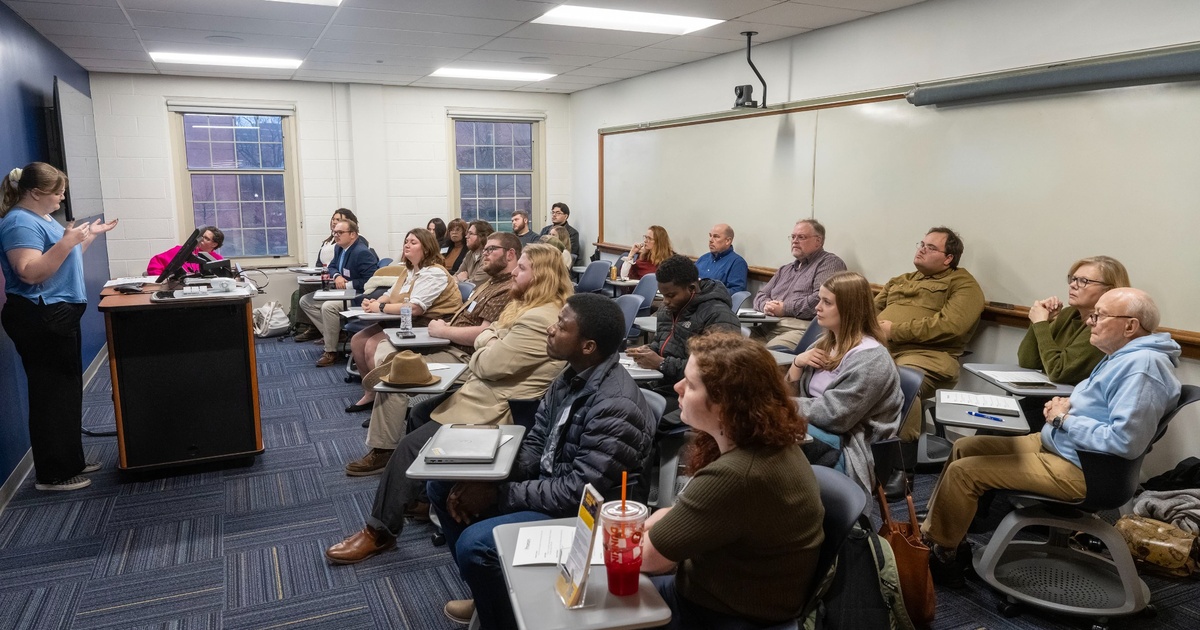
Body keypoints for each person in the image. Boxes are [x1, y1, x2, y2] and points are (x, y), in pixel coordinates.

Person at [325, 246, 591, 574]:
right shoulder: (527, 306)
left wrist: (486, 343)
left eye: (521, 268)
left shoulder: (539, 318)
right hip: (483, 392)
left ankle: (380, 531)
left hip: (499, 409)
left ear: (541, 276)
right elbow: (489, 340)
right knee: (421, 413)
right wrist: (490, 339)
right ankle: (420, 498)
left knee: (410, 447)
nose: (513, 273)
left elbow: (490, 364)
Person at [921, 288, 1181, 587]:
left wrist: (1063, 419)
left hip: (1087, 471)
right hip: (1064, 448)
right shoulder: (1124, 357)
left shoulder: (1142, 368)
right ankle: (943, 533)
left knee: (964, 473)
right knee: (966, 446)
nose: (1089, 322)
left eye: (1099, 316)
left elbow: (1125, 441)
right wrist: (1068, 405)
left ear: (1130, 326)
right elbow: (1104, 408)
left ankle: (943, 556)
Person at [430, 293, 657, 628]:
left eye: (561, 326)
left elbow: (580, 493)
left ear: (588, 346)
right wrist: (489, 480)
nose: (550, 330)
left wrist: (499, 495)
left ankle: (501, 613)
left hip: (586, 515)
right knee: (441, 486)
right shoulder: (569, 376)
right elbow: (537, 443)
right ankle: (490, 593)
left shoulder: (615, 405)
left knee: (475, 546)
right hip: (555, 487)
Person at [640, 332, 824, 630]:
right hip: (726, 600)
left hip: (722, 616)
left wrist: (632, 530)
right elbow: (675, 518)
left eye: (690, 384)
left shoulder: (738, 475)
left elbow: (649, 558)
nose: (677, 387)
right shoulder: (766, 443)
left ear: (725, 404)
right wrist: (656, 524)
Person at [342, 233, 521, 476]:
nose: (484, 255)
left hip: (464, 356)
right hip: (447, 342)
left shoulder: (507, 288)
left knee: (395, 376)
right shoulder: (488, 284)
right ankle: (386, 435)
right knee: (386, 357)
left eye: (492, 250)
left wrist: (443, 330)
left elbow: (482, 334)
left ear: (510, 254)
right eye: (485, 250)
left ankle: (383, 450)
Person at [0, 162, 118, 491]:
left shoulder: (41, 217)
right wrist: (66, 242)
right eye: (58, 192)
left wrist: (86, 237)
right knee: (50, 395)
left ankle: (71, 460)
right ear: (36, 193)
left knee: (65, 392)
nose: (62, 197)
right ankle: (52, 475)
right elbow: (28, 272)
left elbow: (61, 258)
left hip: (57, 313)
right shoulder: (18, 222)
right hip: (40, 317)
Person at [786, 271, 903, 492]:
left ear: (850, 309)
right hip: (817, 430)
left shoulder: (872, 359)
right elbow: (795, 395)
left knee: (767, 431)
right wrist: (797, 365)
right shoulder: (823, 344)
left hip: (848, 445)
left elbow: (835, 416)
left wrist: (782, 406)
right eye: (820, 299)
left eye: (826, 302)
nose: (817, 307)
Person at [875, 227, 985, 442]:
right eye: (922, 244)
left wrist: (894, 330)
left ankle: (900, 464)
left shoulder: (963, 284)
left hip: (927, 357)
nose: (922, 250)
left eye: (931, 247)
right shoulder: (899, 280)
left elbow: (950, 326)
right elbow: (868, 312)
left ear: (948, 258)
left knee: (899, 382)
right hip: (882, 349)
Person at [1016, 256, 1130, 430]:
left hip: (1073, 413)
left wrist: (1040, 324)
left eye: (1084, 281)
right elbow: (1027, 361)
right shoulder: (1070, 314)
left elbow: (1058, 371)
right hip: (1045, 400)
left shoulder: (1104, 328)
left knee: (996, 430)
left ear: (1109, 290)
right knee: (994, 421)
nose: (1073, 285)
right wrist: (1041, 322)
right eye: (1073, 279)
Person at [626, 255, 741, 425]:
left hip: (695, 396)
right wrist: (648, 350)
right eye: (663, 295)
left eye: (671, 295)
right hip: (662, 384)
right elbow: (663, 342)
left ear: (692, 287)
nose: (665, 302)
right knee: (617, 399)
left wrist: (662, 363)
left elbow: (716, 372)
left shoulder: (718, 315)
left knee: (633, 416)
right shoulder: (668, 309)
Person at [347, 228, 461, 380]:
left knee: (372, 345)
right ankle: (370, 391)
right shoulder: (409, 271)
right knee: (357, 341)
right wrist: (375, 302)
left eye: (413, 242)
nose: (407, 245)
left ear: (426, 249)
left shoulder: (434, 273)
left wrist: (380, 308)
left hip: (427, 323)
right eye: (406, 242)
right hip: (404, 320)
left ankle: (385, 394)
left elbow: (414, 309)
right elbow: (390, 294)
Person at [752, 219, 847, 351]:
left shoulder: (829, 263)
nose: (795, 241)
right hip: (767, 325)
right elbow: (761, 295)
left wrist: (785, 308)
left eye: (801, 237)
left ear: (818, 241)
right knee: (735, 350)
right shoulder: (785, 269)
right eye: (793, 237)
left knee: (766, 358)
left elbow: (820, 300)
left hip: (801, 329)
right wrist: (767, 306)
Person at [297, 218, 381, 366]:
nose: (336, 235)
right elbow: (332, 266)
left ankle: (330, 351)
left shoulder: (361, 252)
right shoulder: (339, 248)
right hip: (341, 292)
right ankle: (338, 334)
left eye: (340, 232)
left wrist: (348, 284)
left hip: (358, 295)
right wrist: (337, 276)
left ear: (353, 234)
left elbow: (371, 281)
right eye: (334, 232)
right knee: (306, 301)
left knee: (328, 307)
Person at [145, 225, 223, 276]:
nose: (202, 239)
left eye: (206, 238)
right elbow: (155, 261)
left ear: (214, 244)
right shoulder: (181, 250)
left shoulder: (218, 260)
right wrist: (162, 282)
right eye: (202, 236)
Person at [695, 223, 748, 294]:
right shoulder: (703, 259)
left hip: (714, 302)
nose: (710, 240)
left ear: (728, 241)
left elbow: (736, 291)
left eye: (716, 237)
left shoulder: (737, 263)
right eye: (710, 236)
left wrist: (709, 293)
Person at [455, 220, 494, 284]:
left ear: (482, 237)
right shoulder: (470, 254)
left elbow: (475, 284)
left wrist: (463, 280)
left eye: (470, 233)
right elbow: (456, 275)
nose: (466, 236)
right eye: (467, 233)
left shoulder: (489, 256)